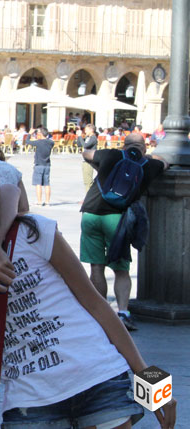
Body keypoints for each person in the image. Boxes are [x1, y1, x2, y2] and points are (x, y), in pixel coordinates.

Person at [0, 149, 176, 429]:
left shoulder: (31, 233)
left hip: (97, 377)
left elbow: (96, 304)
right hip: (28, 401)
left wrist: (152, 382)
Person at [80, 132, 169, 332]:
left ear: (123, 145)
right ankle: (122, 313)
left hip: (91, 214)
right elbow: (165, 162)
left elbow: (86, 153)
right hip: (117, 219)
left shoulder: (112, 155)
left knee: (96, 267)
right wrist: (149, 157)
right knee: (121, 269)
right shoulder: (148, 165)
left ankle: (100, 314)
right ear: (144, 147)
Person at [26, 127, 54, 206]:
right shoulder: (51, 143)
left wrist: (30, 134)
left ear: (40, 134)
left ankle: (39, 201)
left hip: (39, 164)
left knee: (38, 184)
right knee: (47, 184)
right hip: (47, 165)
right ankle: (47, 201)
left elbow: (27, 141)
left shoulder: (38, 142)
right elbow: (49, 139)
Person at [81, 124, 98, 192]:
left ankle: (88, 197)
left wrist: (79, 137)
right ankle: (87, 196)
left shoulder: (93, 138)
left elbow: (85, 145)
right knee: (86, 180)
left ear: (91, 130)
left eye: (86, 130)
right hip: (85, 160)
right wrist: (80, 137)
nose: (85, 131)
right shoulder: (88, 137)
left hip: (89, 161)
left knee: (88, 180)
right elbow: (80, 144)